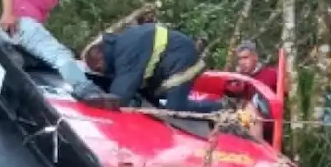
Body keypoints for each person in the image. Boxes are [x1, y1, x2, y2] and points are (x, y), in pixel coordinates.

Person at [0, 0, 113, 106]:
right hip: (21, 24)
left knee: (37, 60)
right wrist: (7, 13)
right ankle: (86, 90)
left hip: (17, 31)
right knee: (60, 54)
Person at [80, 21, 227, 114]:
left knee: (174, 108)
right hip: (168, 59)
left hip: (182, 59)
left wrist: (94, 98)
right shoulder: (120, 45)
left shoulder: (127, 54)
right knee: (149, 98)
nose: (103, 72)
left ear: (101, 58)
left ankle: (220, 107)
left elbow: (119, 97)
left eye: (100, 69)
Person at [228, 40, 283, 140]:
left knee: (251, 108)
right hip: (242, 126)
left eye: (245, 58)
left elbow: (285, 94)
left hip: (268, 126)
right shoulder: (237, 78)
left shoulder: (271, 74)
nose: (242, 62)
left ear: (255, 58)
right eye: (239, 59)